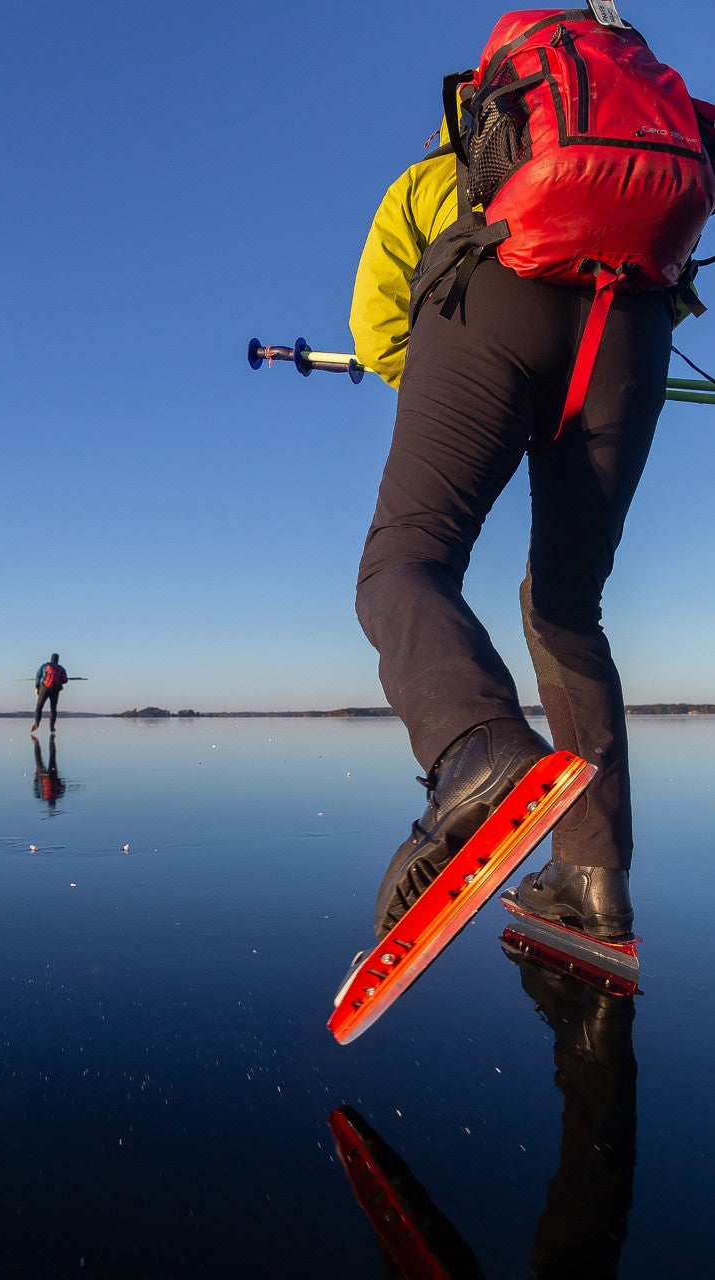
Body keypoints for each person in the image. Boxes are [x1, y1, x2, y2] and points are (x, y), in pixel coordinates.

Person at [350, 111, 684, 944]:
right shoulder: (652, 159)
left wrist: (440, 385)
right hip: (632, 334)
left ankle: (474, 747)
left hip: (485, 302)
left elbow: (375, 326)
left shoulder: (441, 171)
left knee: (406, 561)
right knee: (567, 606)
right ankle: (591, 879)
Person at [31, 653, 68, 733]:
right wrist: (59, 682)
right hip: (55, 689)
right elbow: (65, 680)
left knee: (39, 707)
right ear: (58, 659)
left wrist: (36, 687)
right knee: (53, 709)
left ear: (51, 658)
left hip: (44, 688)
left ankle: (37, 723)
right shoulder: (61, 668)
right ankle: (52, 727)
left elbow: (38, 676)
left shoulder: (44, 665)